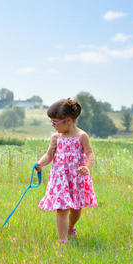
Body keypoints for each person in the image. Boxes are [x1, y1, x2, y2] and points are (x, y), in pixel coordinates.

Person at [35, 98, 97, 243]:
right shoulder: (56, 137)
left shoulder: (82, 136)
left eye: (55, 122)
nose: (53, 126)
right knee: (62, 209)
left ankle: (70, 227)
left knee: (76, 209)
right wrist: (40, 163)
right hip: (60, 179)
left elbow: (90, 153)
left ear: (68, 121)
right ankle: (63, 241)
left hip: (76, 179)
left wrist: (87, 167)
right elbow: (49, 155)